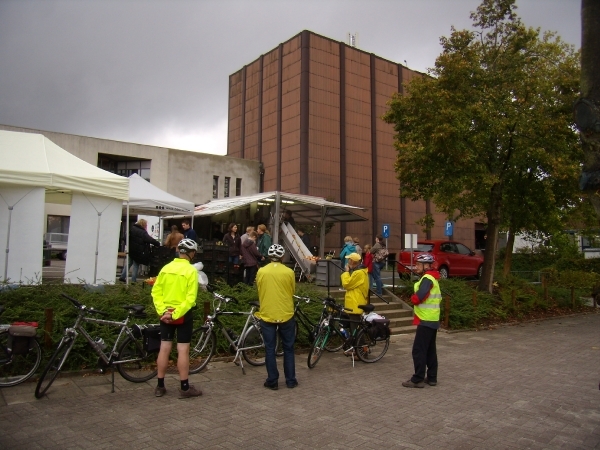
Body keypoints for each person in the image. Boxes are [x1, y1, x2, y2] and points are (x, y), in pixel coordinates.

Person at [152, 238, 202, 398]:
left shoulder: (165, 268)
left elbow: (156, 292)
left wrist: (163, 312)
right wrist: (175, 314)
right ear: (191, 253)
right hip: (182, 315)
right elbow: (190, 298)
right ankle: (184, 387)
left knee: (164, 348)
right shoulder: (191, 271)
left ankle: (160, 386)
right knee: (183, 350)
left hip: (165, 313)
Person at [255, 244, 298, 390]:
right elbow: (292, 290)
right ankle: (291, 380)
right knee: (288, 348)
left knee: (269, 348)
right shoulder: (289, 272)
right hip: (286, 312)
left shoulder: (261, 271)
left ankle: (272, 381)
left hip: (267, 313)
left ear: (268, 256)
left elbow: (259, 288)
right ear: (281, 257)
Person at [402, 254, 441, 389]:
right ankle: (432, 377)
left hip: (426, 319)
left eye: (418, 264)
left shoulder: (427, 278)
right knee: (430, 350)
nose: (416, 266)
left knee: (418, 350)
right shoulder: (433, 278)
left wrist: (413, 298)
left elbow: (419, 297)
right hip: (433, 319)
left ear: (426, 266)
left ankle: (417, 379)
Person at [340, 253, 369, 358]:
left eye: (349, 261)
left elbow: (347, 284)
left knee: (356, 331)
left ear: (353, 262)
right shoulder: (359, 272)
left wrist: (346, 272)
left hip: (355, 305)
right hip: (353, 304)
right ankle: (357, 350)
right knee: (354, 330)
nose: (348, 263)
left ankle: (362, 353)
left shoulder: (359, 273)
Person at [119, 219, 161, 283]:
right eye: (146, 225)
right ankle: (133, 280)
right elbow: (149, 239)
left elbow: (125, 238)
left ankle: (122, 276)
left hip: (131, 249)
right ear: (143, 224)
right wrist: (157, 243)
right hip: (138, 251)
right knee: (136, 265)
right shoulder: (142, 232)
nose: (146, 226)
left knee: (129, 263)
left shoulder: (132, 229)